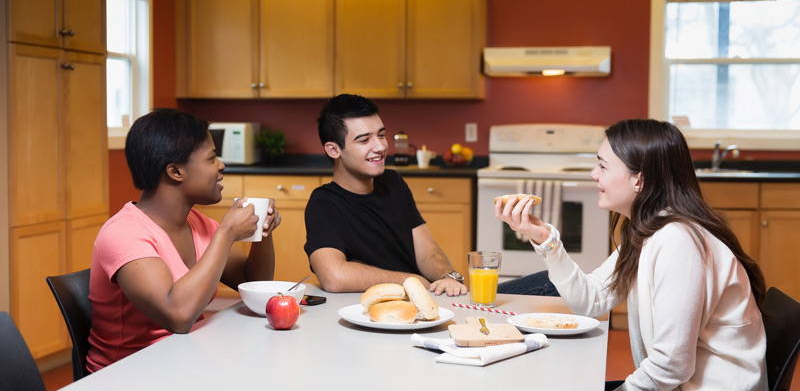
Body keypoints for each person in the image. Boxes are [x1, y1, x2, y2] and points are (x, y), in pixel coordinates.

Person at [496, 119, 767, 390]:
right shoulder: (649, 230)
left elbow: (671, 365)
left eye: (603, 166)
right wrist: (544, 239)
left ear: (639, 180)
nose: (593, 174)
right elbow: (591, 299)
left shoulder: (677, 241)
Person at [86, 108, 280, 372]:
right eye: (212, 159)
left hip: (186, 362)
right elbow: (177, 316)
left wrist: (262, 232)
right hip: (130, 375)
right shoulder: (123, 233)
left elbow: (254, 282)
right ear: (175, 171)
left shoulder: (198, 224)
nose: (221, 166)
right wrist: (226, 234)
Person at [303, 94, 467, 296]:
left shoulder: (393, 182)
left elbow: (426, 251)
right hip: (376, 313)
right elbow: (335, 277)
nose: (380, 147)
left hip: (423, 299)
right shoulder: (323, 204)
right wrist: (411, 280)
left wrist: (447, 277)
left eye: (381, 135)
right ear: (334, 150)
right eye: (364, 140)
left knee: (518, 287)